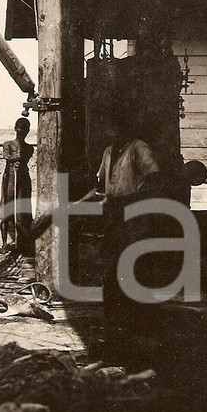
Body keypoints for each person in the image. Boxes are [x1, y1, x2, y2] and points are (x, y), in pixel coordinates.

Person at [80, 120, 163, 349]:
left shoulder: (138, 148)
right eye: (111, 128)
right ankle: (114, 324)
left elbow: (155, 179)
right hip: (113, 214)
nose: (112, 131)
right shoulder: (109, 152)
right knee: (111, 269)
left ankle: (136, 327)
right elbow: (101, 187)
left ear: (126, 128)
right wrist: (79, 203)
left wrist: (131, 201)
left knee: (132, 267)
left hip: (135, 214)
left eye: (117, 127)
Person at [0, 117, 35, 255]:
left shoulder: (29, 148)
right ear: (15, 128)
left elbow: (25, 158)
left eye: (25, 128)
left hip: (23, 179)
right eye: (20, 128)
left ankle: (22, 242)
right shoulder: (8, 144)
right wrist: (12, 158)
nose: (23, 131)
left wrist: (18, 159)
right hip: (10, 178)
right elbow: (6, 156)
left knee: (23, 210)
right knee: (6, 208)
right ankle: (4, 243)